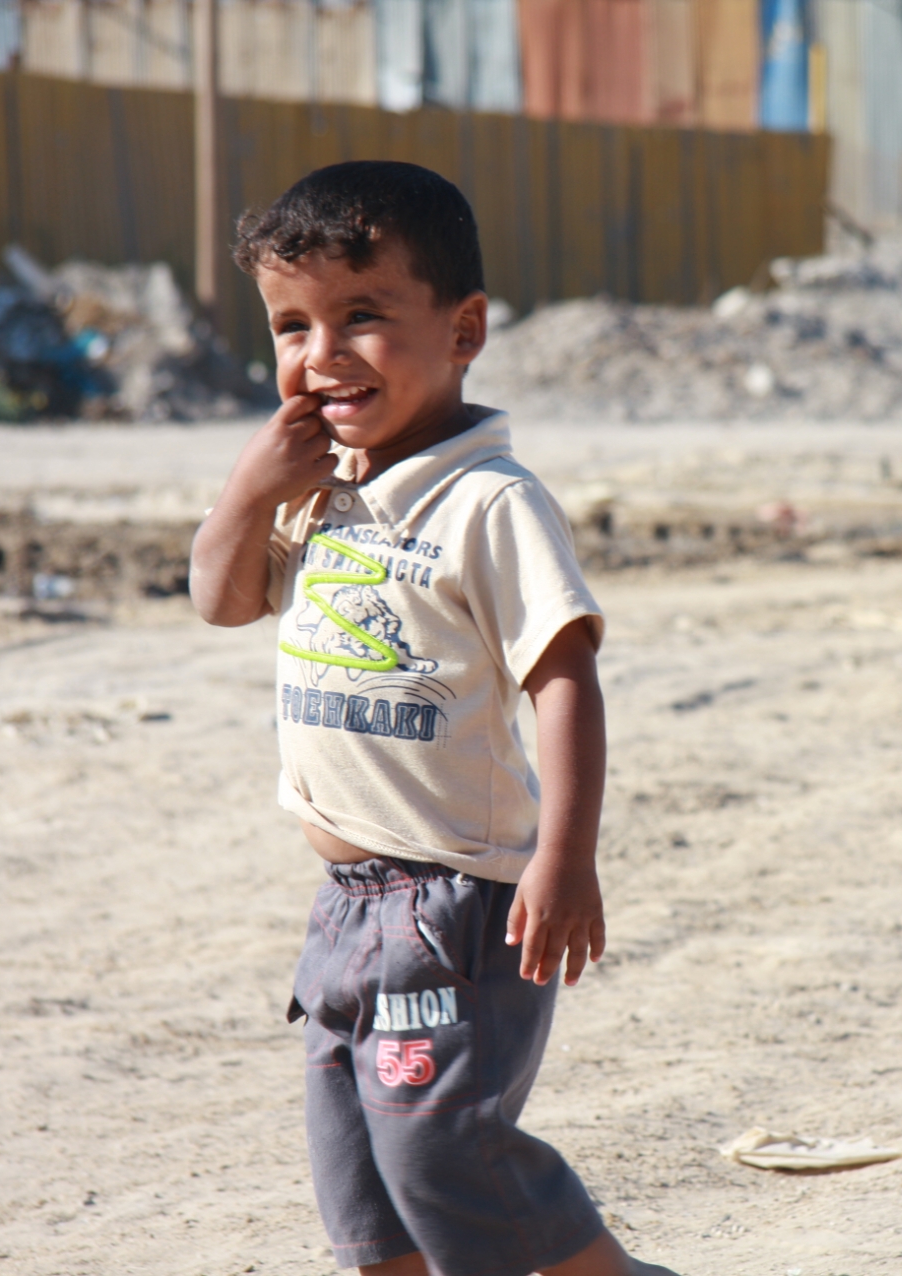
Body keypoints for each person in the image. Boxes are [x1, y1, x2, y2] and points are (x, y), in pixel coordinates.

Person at [189, 160, 674, 1276]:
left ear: (463, 331)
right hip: (342, 910)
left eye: (361, 316)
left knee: (444, 1151)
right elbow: (219, 598)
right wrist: (250, 487)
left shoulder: (489, 502)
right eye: (293, 326)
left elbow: (564, 679)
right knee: (361, 1186)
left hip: (455, 908)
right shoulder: (316, 489)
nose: (322, 354)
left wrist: (565, 858)